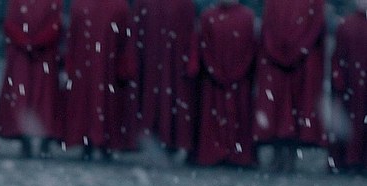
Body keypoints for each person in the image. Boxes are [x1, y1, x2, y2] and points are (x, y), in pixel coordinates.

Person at [252, 0, 325, 172]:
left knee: (278, 108)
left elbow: (268, 29)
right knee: (293, 107)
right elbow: (316, 28)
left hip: (281, 63)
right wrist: (300, 49)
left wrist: (276, 50)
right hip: (301, 63)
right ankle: (288, 154)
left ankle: (281, 154)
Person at [59, 0, 138, 160]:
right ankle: (104, 142)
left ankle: (87, 141)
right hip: (107, 65)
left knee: (85, 101)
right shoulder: (119, 6)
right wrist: (126, 66)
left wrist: (69, 64)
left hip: (85, 66)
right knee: (106, 102)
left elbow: (72, 39)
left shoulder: (80, 5)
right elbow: (126, 40)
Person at [188, 0, 257, 168]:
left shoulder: (210, 17)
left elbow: (203, 48)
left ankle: (217, 152)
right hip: (232, 81)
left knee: (220, 115)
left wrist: (215, 70)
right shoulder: (246, 17)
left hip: (219, 80)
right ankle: (234, 153)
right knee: (233, 114)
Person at [0, 0, 63, 159]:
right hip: (41, 54)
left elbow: (9, 25)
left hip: (23, 54)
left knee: (24, 96)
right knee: (44, 97)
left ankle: (27, 138)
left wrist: (25, 42)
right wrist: (36, 42)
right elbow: (55, 26)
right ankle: (42, 139)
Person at [132, 0, 198, 163]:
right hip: (172, 63)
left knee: (155, 96)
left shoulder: (145, 4)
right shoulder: (184, 5)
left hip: (153, 62)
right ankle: (169, 139)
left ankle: (154, 134)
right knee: (172, 97)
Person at [327, 0, 367, 174]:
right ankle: (354, 159)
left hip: (352, 84)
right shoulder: (347, 26)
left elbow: (338, 58)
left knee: (353, 122)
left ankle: (350, 159)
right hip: (353, 84)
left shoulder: (346, 26)